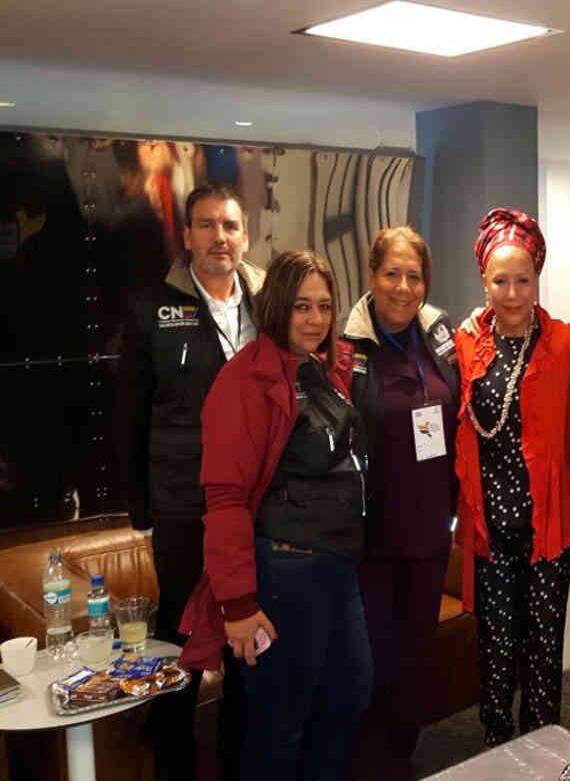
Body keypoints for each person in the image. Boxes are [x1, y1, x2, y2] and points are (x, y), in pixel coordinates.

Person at [179, 250, 372, 781]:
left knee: (348, 699)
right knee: (278, 726)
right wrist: (237, 604)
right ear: (278, 307)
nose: (315, 319)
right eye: (302, 307)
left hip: (337, 572)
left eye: (325, 306)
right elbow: (225, 501)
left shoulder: (319, 368)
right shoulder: (244, 381)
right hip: (286, 575)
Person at [116, 183, 261, 781]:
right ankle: (173, 765)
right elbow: (129, 415)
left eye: (229, 225)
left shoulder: (265, 303)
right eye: (207, 225)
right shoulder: (152, 308)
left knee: (247, 646)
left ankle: (238, 764)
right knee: (181, 646)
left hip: (253, 512)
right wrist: (143, 509)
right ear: (187, 236)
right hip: (184, 512)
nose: (219, 237)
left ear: (245, 235)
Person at [455, 207, 570, 747]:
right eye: (500, 280)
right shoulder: (464, 345)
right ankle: (497, 739)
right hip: (490, 531)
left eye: (522, 280)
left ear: (537, 279)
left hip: (546, 530)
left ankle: (543, 740)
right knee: (496, 643)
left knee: (544, 644)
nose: (511, 292)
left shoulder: (564, 342)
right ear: (484, 280)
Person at [340, 227, 459, 780]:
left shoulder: (438, 338)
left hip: (431, 535)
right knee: (372, 667)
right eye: (392, 273)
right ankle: (370, 767)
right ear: (371, 276)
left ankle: (400, 761)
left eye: (414, 276)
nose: (404, 287)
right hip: (372, 540)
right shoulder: (345, 348)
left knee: (413, 663)